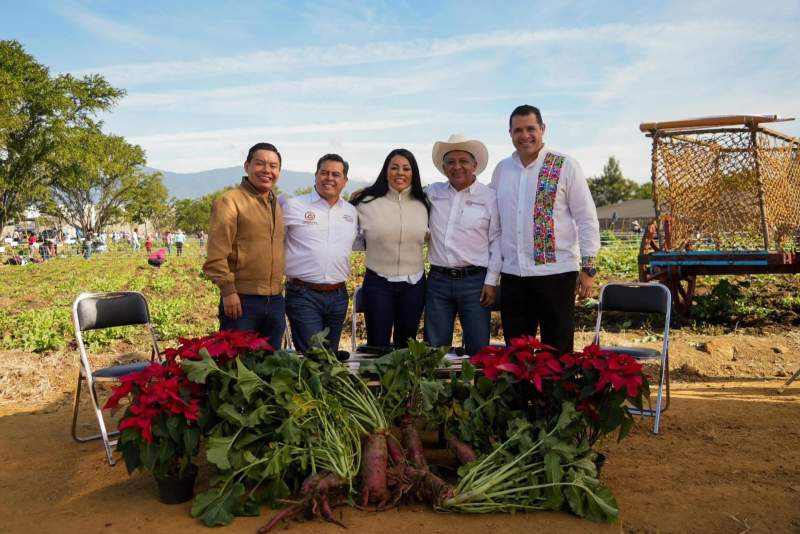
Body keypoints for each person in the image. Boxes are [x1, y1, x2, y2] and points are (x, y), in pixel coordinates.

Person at [490, 105, 600, 355]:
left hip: (557, 274)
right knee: (516, 353)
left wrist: (589, 267)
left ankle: (556, 396)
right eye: (518, 130)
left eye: (531, 128)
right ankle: (521, 396)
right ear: (510, 133)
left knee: (558, 350)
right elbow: (492, 221)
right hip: (514, 275)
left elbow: (587, 218)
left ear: (542, 129)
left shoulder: (564, 165)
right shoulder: (502, 170)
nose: (524, 135)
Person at [424, 134, 501, 355]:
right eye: (450, 162)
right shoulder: (432, 193)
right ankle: (436, 389)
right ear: (443, 167)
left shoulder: (489, 197)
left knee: (478, 350)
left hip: (475, 283)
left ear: (474, 165)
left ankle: (474, 389)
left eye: (463, 161)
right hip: (438, 281)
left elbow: (496, 240)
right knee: (434, 351)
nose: (457, 167)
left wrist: (491, 281)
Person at [203, 142, 286, 347]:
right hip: (242, 301)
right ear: (246, 166)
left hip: (275, 300)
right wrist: (228, 291)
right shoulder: (230, 201)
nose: (267, 170)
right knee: (238, 368)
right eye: (260, 163)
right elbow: (216, 254)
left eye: (273, 166)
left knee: (271, 368)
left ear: (279, 171)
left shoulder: (276, 203)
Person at [351, 149, 429, 350]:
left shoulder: (425, 203)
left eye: (406, 168)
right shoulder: (365, 202)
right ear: (386, 171)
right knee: (378, 346)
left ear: (414, 173)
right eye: (394, 168)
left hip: (414, 284)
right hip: (378, 283)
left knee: (406, 346)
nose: (399, 173)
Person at [282, 154, 357, 354]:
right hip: (303, 294)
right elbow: (272, 240)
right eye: (324, 173)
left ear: (345, 180)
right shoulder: (294, 205)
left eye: (336, 174)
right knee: (315, 357)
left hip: (338, 295)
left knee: (330, 356)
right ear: (315, 176)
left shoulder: (351, 212)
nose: (329, 178)